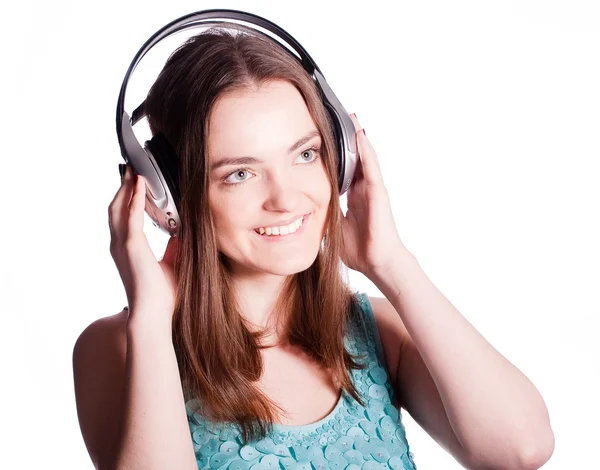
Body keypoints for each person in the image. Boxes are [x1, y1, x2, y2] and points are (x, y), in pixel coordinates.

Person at [72, 25, 554, 470]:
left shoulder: (373, 331)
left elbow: (521, 449)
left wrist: (392, 263)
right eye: (240, 173)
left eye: (306, 154)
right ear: (168, 195)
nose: (287, 199)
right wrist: (152, 320)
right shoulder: (121, 347)